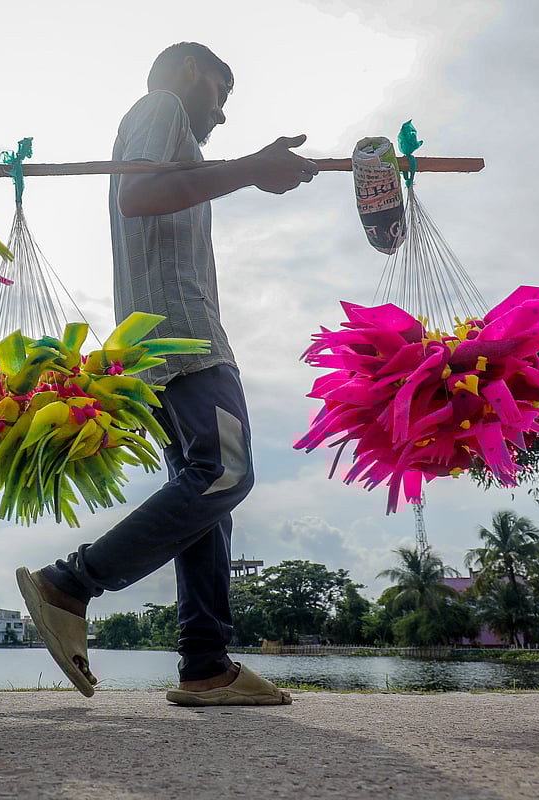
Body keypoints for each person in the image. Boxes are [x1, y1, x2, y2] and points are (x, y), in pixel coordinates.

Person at [17, 42, 318, 706]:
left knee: (205, 497)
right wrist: (251, 169)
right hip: (184, 339)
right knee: (226, 474)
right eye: (220, 89)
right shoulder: (159, 106)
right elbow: (142, 195)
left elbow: (156, 190)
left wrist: (249, 169)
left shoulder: (175, 133)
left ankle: (206, 664)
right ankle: (72, 583)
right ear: (188, 72)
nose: (222, 111)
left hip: (162, 342)